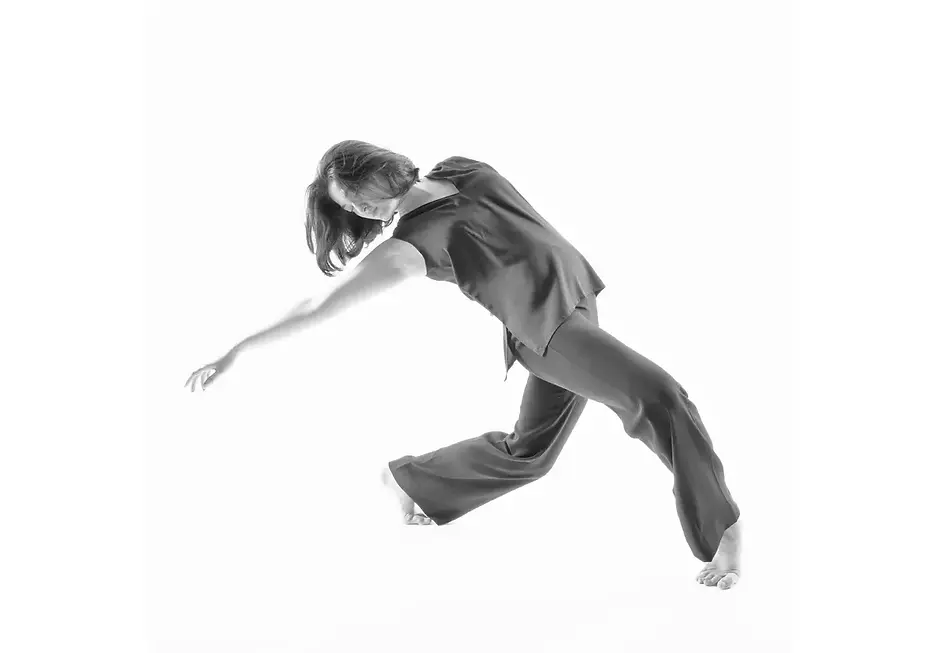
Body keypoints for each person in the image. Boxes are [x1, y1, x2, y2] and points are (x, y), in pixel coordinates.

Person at [184, 139, 743, 590]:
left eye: (354, 194)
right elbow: (320, 305)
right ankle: (722, 528)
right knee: (661, 396)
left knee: (531, 454)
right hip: (550, 334)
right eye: (349, 209)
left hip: (577, 302)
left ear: (377, 167)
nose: (358, 210)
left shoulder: (464, 168)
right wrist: (239, 347)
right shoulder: (410, 246)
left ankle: (412, 480)